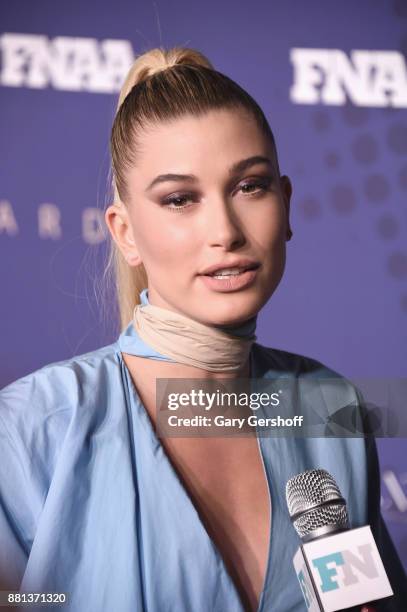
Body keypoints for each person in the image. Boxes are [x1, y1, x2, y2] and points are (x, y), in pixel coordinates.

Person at [0, 46, 405, 612]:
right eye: (180, 199)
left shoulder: (331, 409)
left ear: (286, 206)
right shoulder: (30, 430)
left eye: (250, 186)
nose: (224, 230)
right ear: (125, 232)